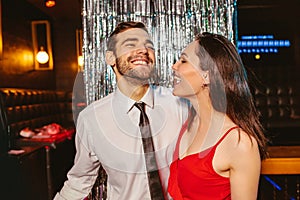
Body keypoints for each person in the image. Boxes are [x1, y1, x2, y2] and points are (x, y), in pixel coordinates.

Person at [54, 21, 188, 200]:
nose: (143, 50)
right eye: (130, 44)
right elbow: (79, 182)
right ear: (110, 58)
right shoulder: (91, 119)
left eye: (148, 45)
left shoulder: (180, 104)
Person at [168, 32, 268, 200]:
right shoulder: (188, 125)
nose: (174, 66)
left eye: (184, 61)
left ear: (206, 76)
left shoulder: (239, 143)